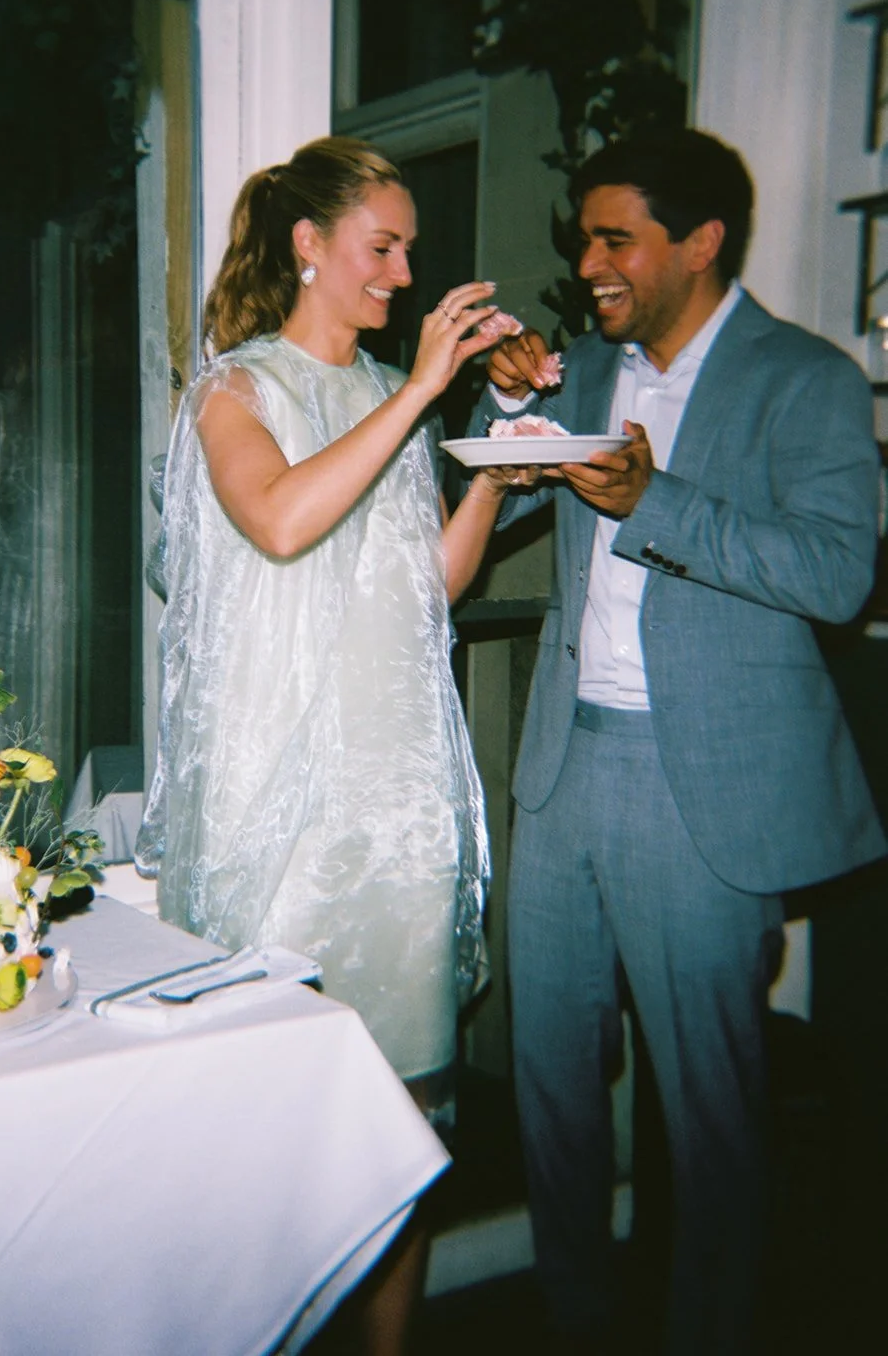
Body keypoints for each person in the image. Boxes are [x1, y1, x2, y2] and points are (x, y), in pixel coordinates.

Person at [472, 127, 885, 1355]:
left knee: (707, 1106)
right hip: (560, 768)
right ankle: (572, 1320)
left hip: (700, 789)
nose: (587, 262)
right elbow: (497, 529)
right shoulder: (586, 374)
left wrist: (656, 501)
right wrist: (508, 418)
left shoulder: (800, 378)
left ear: (697, 242)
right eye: (584, 237)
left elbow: (834, 573)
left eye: (614, 239)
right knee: (550, 1086)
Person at [134, 135, 511, 1351]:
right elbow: (284, 521)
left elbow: (429, 590)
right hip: (277, 817)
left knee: (399, 1124)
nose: (401, 274)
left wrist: (497, 458)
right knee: (275, 1127)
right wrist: (419, 394)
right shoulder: (232, 392)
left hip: (394, 804)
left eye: (408, 251)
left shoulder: (386, 398)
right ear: (308, 246)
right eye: (381, 247)